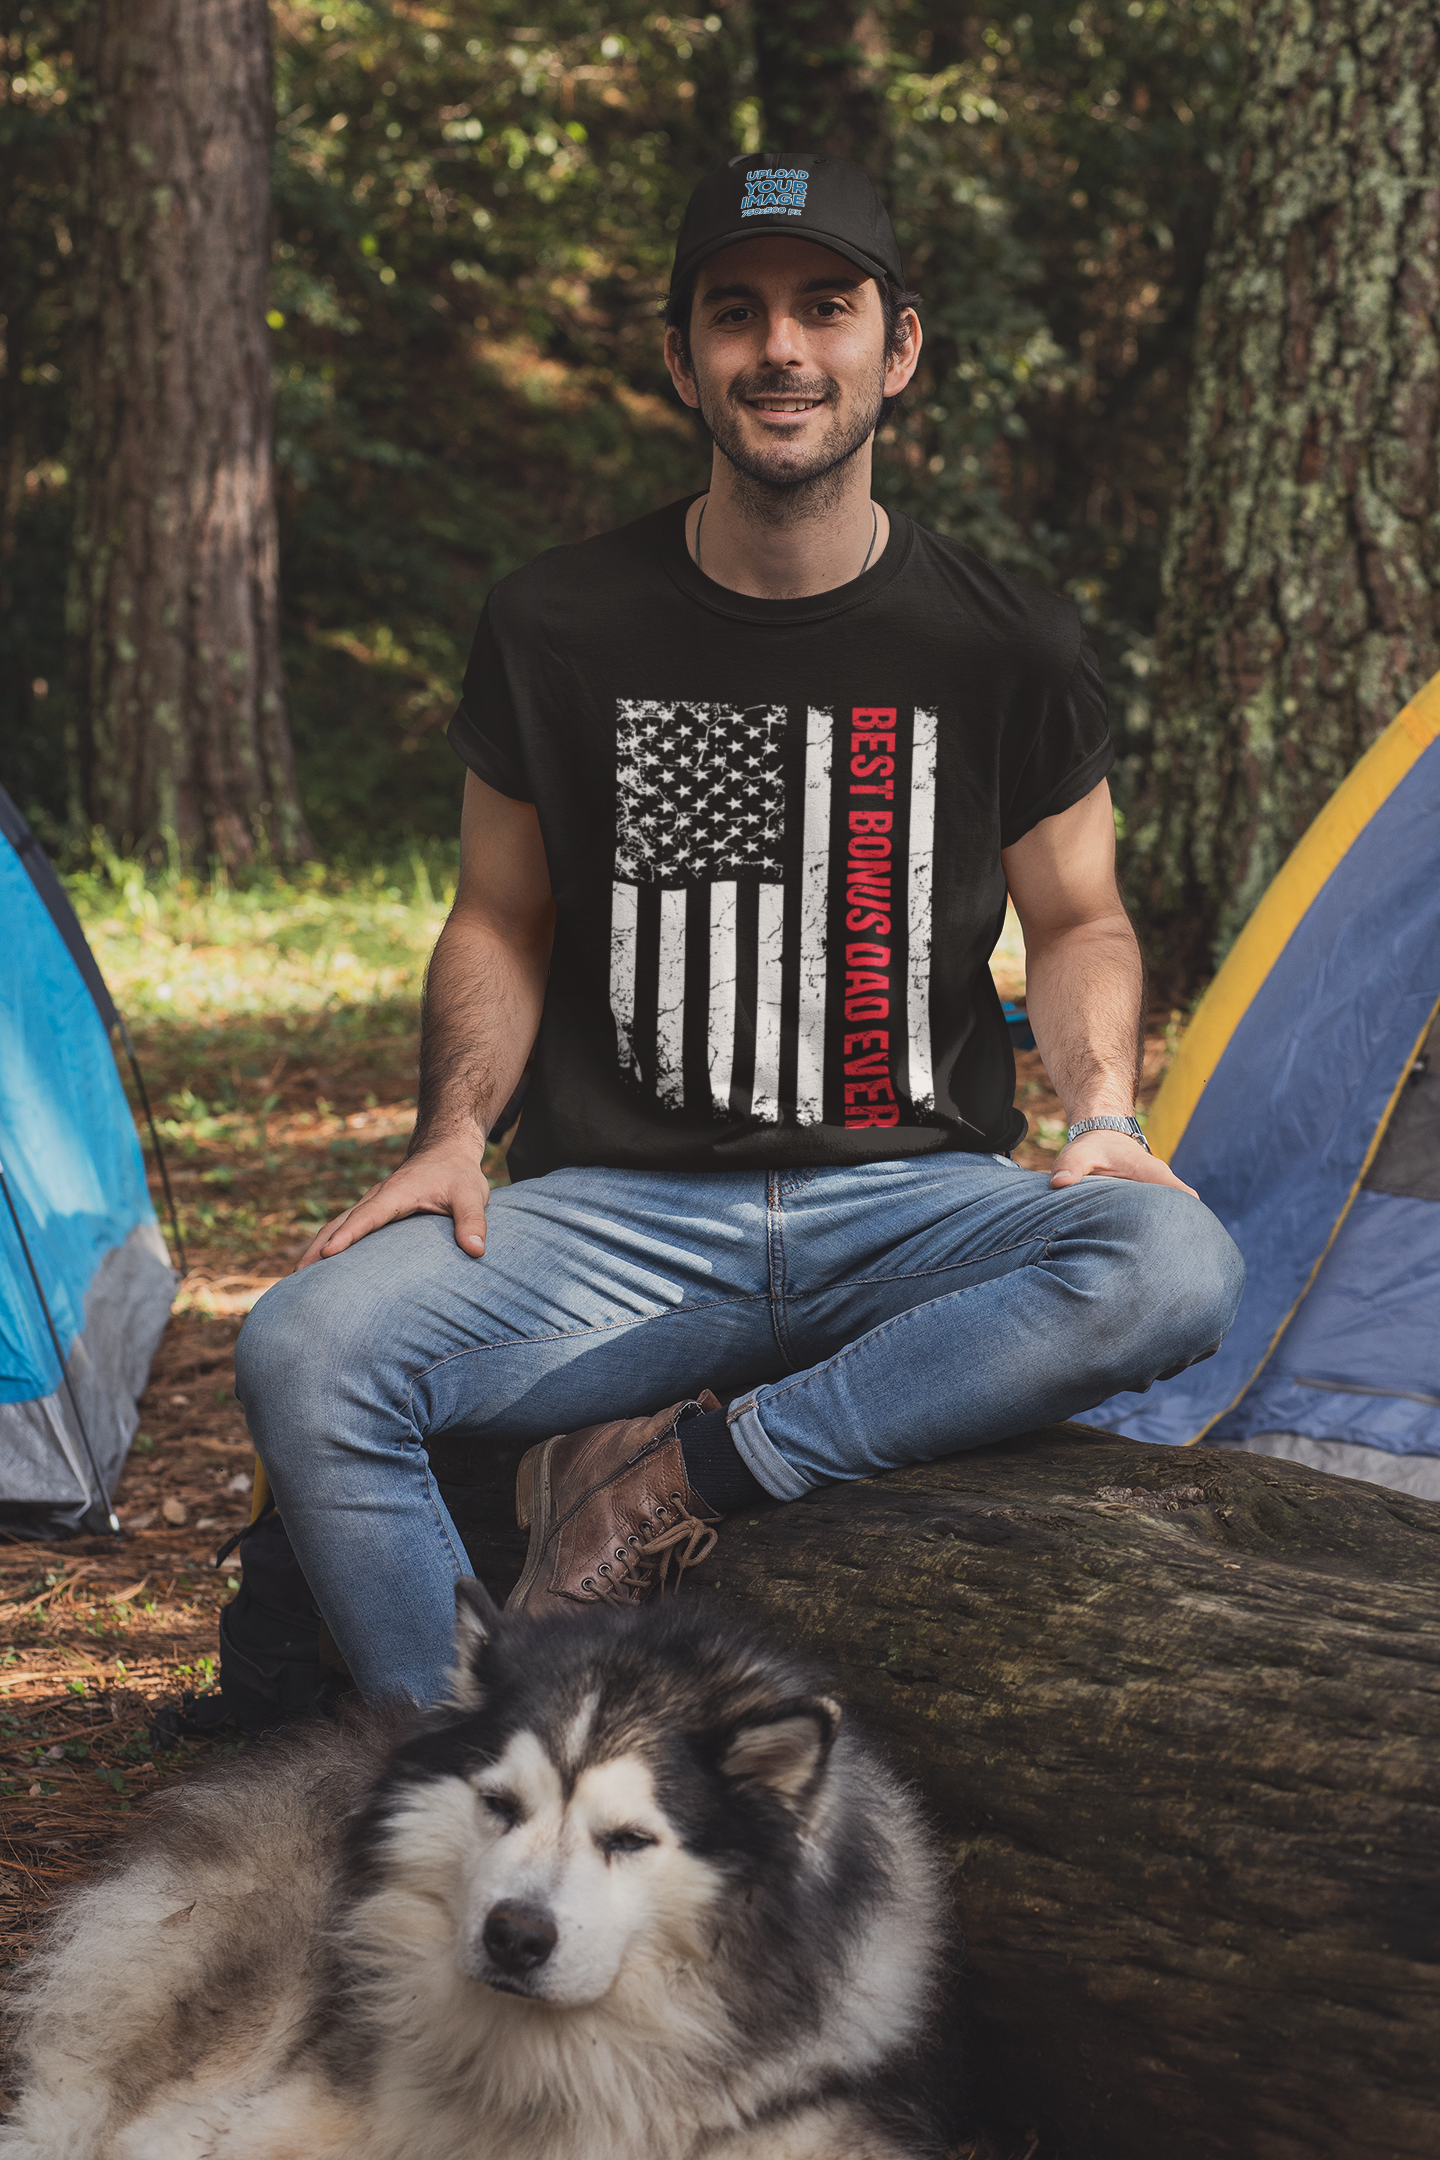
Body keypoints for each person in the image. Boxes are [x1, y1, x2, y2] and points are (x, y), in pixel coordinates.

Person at [235, 153, 1244, 1704]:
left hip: (911, 1207)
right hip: (623, 1225)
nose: (782, 349)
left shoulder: (1005, 641)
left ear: (896, 348)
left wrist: (1100, 1109)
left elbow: (1083, 916)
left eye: (824, 309)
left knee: (1171, 1259)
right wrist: (450, 1131)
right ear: (680, 359)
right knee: (304, 1350)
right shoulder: (558, 621)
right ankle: (466, 1776)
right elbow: (499, 918)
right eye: (736, 312)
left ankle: (677, 1481)